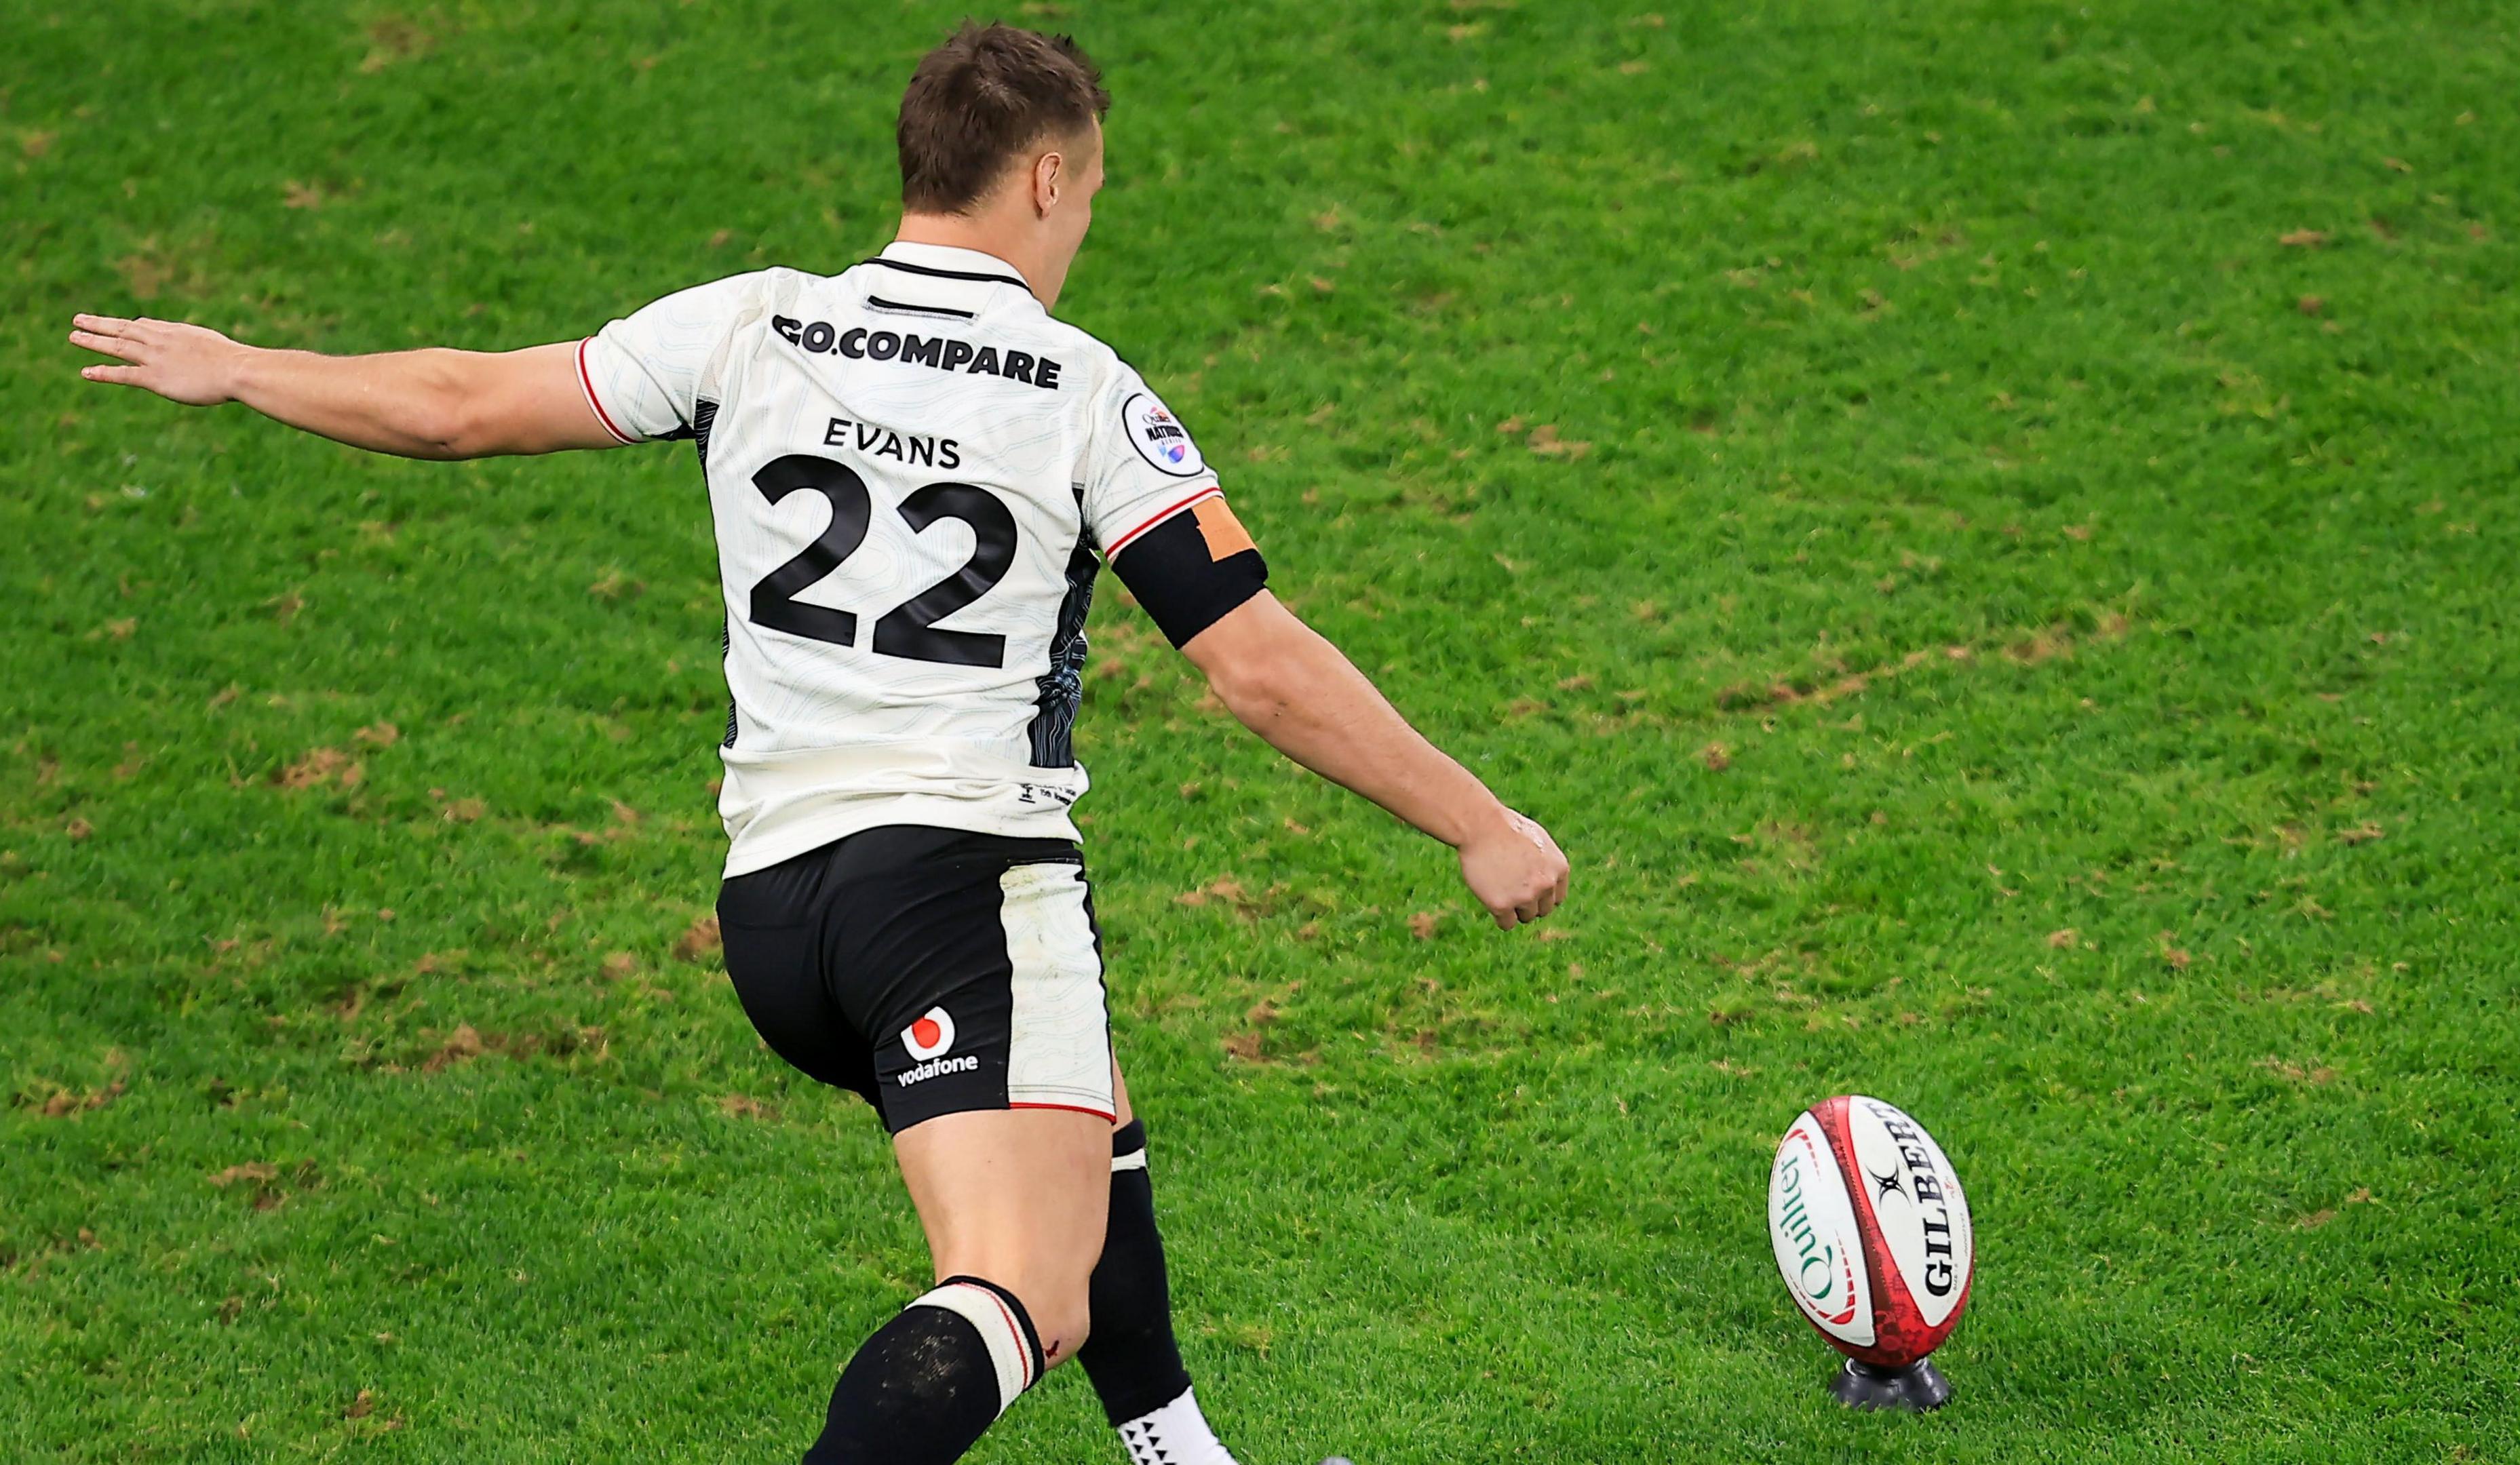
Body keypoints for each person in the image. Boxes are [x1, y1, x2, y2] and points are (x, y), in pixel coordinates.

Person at [69, 20, 1569, 1464]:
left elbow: (463, 406)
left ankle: (1182, 1454)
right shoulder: (1080, 393)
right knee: (1019, 1294)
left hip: (777, 917)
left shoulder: (749, 325)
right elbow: (1255, 665)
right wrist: (1476, 821)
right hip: (962, 892)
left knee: (1083, 1104)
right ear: (1045, 178)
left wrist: (247, 362)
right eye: (1092, 188)